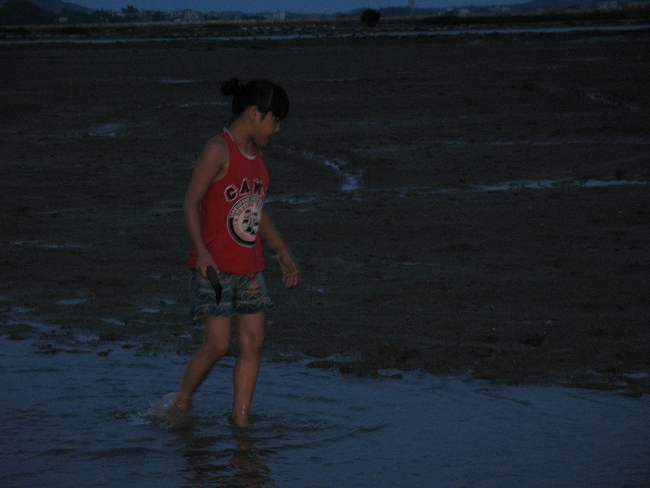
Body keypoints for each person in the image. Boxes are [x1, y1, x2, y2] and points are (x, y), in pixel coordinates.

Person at [167, 78, 299, 427]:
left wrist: (281, 250)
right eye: (275, 120)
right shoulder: (218, 149)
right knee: (218, 344)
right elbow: (190, 203)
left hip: (250, 268)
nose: (277, 129)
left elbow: (256, 208)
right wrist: (201, 252)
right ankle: (180, 403)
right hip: (215, 269)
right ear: (254, 114)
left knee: (254, 343)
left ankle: (241, 421)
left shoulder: (257, 158)